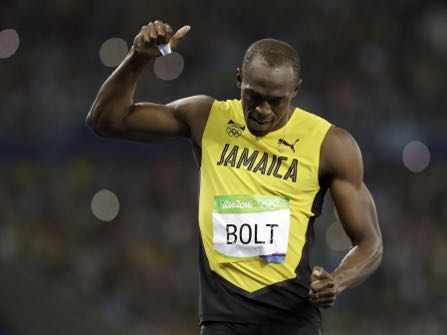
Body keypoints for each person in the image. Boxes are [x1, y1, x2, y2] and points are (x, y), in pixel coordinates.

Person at [87, 20, 383, 335]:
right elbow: (106, 120)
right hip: (222, 318)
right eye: (253, 96)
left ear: (296, 90)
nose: (263, 110)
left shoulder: (330, 144)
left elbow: (371, 243)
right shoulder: (206, 117)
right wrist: (138, 57)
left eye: (276, 100)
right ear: (238, 79)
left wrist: (336, 281)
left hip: (292, 320)